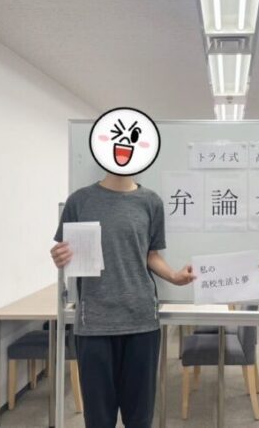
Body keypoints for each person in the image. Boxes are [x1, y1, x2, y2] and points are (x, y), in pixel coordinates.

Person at [50, 173, 194, 428]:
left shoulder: (151, 201)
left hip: (142, 322)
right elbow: (65, 251)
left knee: (139, 419)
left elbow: (150, 254)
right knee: (98, 420)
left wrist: (174, 276)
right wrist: (58, 256)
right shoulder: (79, 201)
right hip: (93, 324)